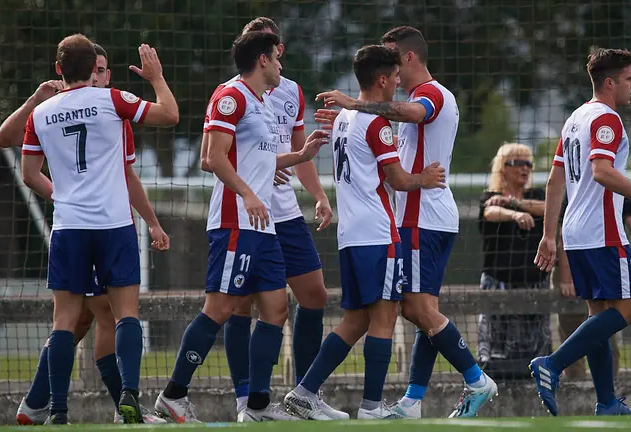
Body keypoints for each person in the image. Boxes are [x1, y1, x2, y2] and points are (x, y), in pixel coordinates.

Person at [315, 26, 497, 419]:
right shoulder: (406, 101)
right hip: (417, 216)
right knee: (422, 308)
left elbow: (414, 114)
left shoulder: (429, 94)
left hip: (422, 216)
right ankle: (413, 400)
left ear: (408, 58)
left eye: (393, 56)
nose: (391, 68)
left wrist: (355, 105)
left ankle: (477, 379)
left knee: (416, 307)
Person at [153, 30, 328, 423]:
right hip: (236, 221)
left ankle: (258, 405)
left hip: (262, 226)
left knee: (276, 308)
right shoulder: (230, 96)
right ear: (262, 60)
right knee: (221, 307)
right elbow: (212, 158)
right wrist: (248, 194)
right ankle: (173, 395)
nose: (281, 64)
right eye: (277, 57)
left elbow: (260, 161)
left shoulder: (262, 103)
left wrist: (300, 155)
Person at [2, 43, 169, 425]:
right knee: (116, 317)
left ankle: (53, 409)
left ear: (59, 68)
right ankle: (127, 401)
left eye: (106, 69)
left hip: (70, 227)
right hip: (112, 225)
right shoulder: (112, 104)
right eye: (99, 67)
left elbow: (29, 173)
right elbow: (169, 116)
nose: (103, 74)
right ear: (92, 70)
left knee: (71, 321)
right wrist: (156, 78)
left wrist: (64, 195)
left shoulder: (45, 114)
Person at [283, 44, 446, 420]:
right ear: (383, 79)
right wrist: (426, 178)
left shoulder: (343, 119)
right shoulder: (376, 123)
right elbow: (399, 181)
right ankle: (372, 406)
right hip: (377, 231)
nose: (398, 87)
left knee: (356, 320)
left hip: (351, 235)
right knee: (385, 316)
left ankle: (305, 391)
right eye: (395, 79)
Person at [531, 47, 631, 417]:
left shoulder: (574, 119)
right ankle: (551, 364)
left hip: (576, 233)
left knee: (598, 315)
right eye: (630, 78)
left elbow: (555, 180)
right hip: (603, 232)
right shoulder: (606, 118)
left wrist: (550, 236)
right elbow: (600, 170)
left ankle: (607, 402)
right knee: (627, 311)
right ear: (610, 82)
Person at [210, 17, 334, 418]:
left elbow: (300, 152)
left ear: (277, 48)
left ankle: (305, 393)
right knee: (241, 306)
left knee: (314, 293)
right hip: (248, 212)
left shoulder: (291, 91)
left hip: (283, 209)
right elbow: (216, 156)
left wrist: (318, 195)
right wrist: (257, 173)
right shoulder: (235, 93)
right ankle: (248, 399)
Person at [556, 197, 631, 379]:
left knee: (606, 327)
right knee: (577, 325)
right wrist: (566, 278)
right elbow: (565, 234)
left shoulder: (619, 187)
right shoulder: (576, 189)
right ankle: (565, 376)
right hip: (585, 258)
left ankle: (607, 394)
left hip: (605, 261)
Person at [477, 143, 551, 380]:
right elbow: (490, 213)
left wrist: (515, 204)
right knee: (495, 350)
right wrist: (515, 214)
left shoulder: (537, 195)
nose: (525, 168)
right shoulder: (490, 197)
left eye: (528, 163)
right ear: (503, 168)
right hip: (498, 283)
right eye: (517, 163)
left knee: (535, 349)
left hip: (535, 284)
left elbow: (551, 209)